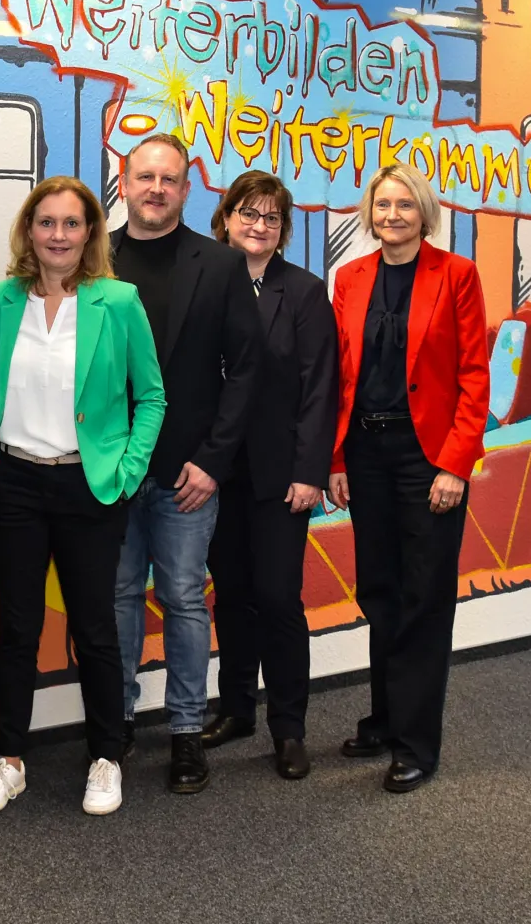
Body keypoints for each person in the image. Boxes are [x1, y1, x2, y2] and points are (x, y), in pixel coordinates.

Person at [0, 175, 166, 818]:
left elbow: (152, 396)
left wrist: (126, 472)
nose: (58, 235)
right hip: (17, 483)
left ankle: (106, 756)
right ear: (30, 230)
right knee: (17, 629)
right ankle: (10, 759)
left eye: (72, 223)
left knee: (95, 629)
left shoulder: (119, 300)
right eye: (46, 222)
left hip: (90, 484)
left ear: (90, 232)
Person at [325, 163, 490, 793]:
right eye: (382, 204)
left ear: (425, 212)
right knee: (381, 590)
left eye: (404, 204)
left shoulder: (457, 275)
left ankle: (417, 742)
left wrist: (455, 463)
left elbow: (475, 374)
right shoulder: (351, 277)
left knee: (424, 600)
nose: (391, 214)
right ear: (370, 213)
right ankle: (387, 719)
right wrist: (336, 460)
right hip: (365, 452)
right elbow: (342, 375)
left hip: (429, 458)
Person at [105, 134, 262, 793]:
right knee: (114, 602)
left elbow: (246, 372)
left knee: (183, 604)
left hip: (187, 477)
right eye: (145, 176)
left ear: (186, 188)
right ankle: (110, 731)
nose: (156, 189)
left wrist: (213, 462)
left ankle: (185, 733)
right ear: (123, 179)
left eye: (169, 179)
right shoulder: (93, 258)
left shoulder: (220, 264)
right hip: (109, 475)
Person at [204, 171, 337, 780]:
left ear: (283, 232)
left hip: (283, 477)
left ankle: (288, 728)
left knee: (279, 599)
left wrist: (310, 472)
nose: (258, 226)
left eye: (272, 219)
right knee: (229, 596)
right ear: (226, 217)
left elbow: (319, 390)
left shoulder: (304, 293)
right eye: (248, 214)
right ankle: (236, 710)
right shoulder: (204, 281)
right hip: (212, 473)